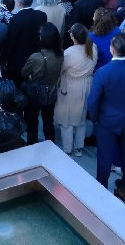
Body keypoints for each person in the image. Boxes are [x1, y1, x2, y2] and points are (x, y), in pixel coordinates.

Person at [87, 33, 125, 188]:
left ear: (112, 49)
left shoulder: (103, 72)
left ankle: (102, 186)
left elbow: (93, 100)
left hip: (107, 121)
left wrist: (94, 118)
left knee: (104, 156)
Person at [54, 24, 95, 156]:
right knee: (81, 117)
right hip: (87, 85)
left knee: (67, 118)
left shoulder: (69, 53)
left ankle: (67, 148)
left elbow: (60, 70)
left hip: (71, 86)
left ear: (73, 37)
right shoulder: (93, 48)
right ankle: (79, 147)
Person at [21, 22, 63, 145]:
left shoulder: (36, 57)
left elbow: (23, 72)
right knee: (48, 120)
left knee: (32, 121)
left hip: (35, 93)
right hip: (51, 92)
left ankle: (32, 144)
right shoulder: (60, 54)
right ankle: (50, 144)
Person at [3, 0, 47, 82]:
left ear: (18, 3)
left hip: (18, 63)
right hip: (36, 60)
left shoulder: (15, 20)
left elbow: (10, 43)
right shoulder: (42, 15)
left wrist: (4, 60)